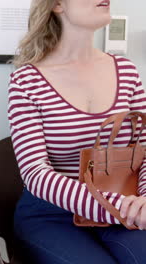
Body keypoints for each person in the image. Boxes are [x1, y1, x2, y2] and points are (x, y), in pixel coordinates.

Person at [8, 1, 146, 263]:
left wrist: (143, 202)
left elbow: (145, 151)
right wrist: (117, 207)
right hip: (52, 214)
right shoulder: (26, 81)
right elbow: (35, 174)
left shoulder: (127, 72)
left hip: (124, 207)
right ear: (57, 5)